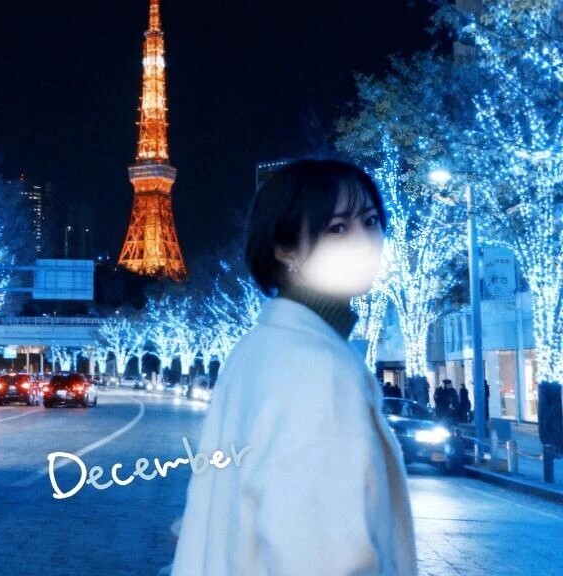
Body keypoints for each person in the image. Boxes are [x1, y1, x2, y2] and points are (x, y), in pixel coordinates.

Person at [171, 159, 417, 575]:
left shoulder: (256, 350)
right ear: (285, 249)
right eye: (337, 228)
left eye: (371, 221)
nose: (364, 241)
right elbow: (321, 557)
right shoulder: (319, 368)